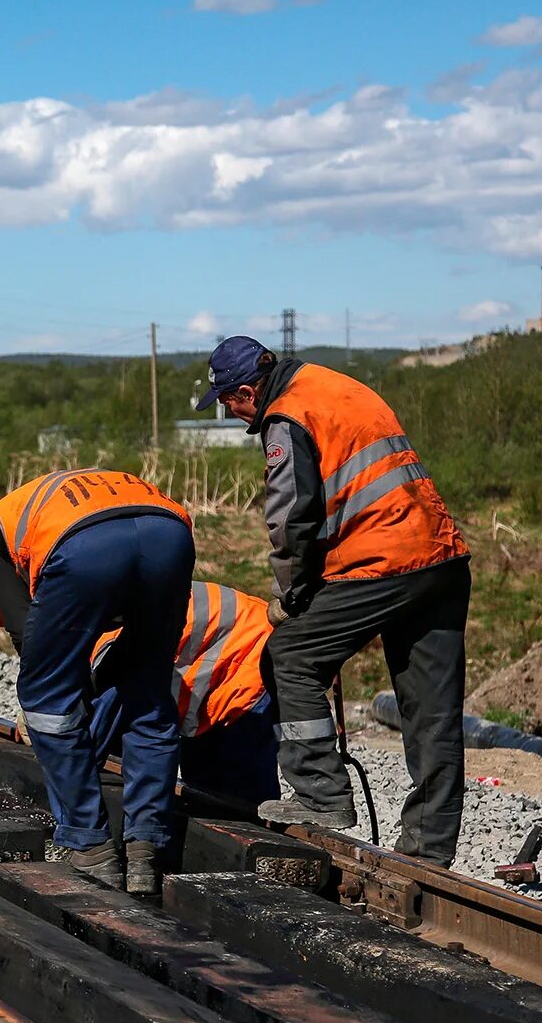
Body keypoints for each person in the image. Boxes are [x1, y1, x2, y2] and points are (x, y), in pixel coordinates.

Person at [198, 335, 470, 867]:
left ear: (248, 392)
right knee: (432, 713)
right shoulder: (334, 386)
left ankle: (321, 796)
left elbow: (290, 514)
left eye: (228, 403)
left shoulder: (286, 415)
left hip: (385, 562)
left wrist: (292, 595)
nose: (231, 415)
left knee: (290, 656)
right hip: (441, 558)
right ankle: (429, 854)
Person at [0, 470, 193, 893]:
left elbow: (30, 636)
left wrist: (47, 700)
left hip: (86, 546)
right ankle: (145, 850)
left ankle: (89, 846)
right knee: (149, 694)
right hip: (169, 535)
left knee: (44, 703)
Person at [0, 528, 279, 804]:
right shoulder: (81, 627)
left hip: (245, 656)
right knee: (204, 788)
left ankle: (268, 871)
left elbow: (93, 734)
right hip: (213, 658)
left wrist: (53, 771)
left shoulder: (99, 647)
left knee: (237, 800)